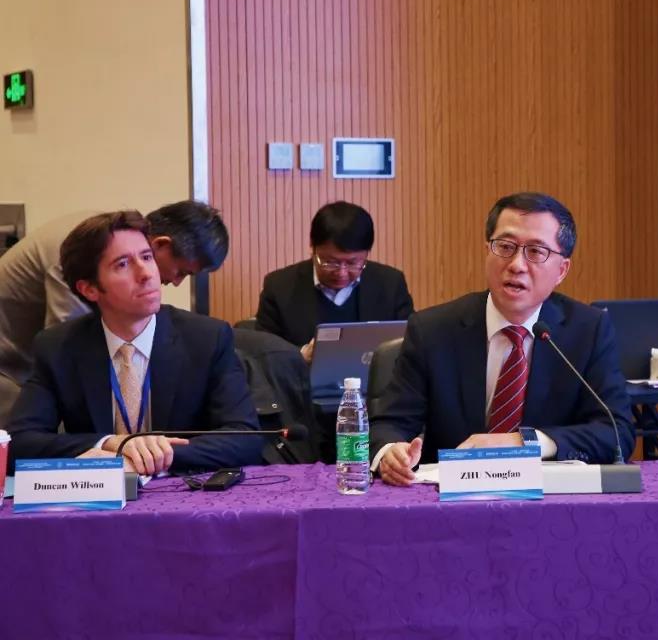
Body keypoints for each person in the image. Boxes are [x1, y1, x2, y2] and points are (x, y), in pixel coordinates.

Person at [372, 192, 635, 486]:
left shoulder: (588, 330)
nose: (517, 264)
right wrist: (390, 453)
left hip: (551, 499)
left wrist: (525, 442)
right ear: (487, 251)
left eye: (535, 251)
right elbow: (389, 424)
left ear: (561, 270)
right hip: (450, 498)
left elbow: (616, 432)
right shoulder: (432, 330)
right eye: (505, 247)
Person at [6, 211, 263, 475]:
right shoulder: (58, 347)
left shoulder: (207, 338)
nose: (146, 273)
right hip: (99, 495)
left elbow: (246, 439)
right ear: (89, 289)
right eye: (122, 264)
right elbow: (18, 443)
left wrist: (154, 454)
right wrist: (110, 444)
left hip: (182, 491)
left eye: (147, 257)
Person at [0, 201, 229, 425]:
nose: (176, 283)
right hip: (6, 366)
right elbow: (71, 356)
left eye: (146, 257)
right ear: (160, 244)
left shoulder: (103, 239)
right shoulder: (84, 253)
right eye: (182, 272)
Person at [255, 201, 414, 362]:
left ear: (367, 253)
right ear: (313, 247)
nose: (341, 273)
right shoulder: (279, 288)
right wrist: (301, 356)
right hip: (303, 378)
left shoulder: (390, 284)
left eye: (352, 263)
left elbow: (410, 347)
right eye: (331, 262)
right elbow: (261, 355)